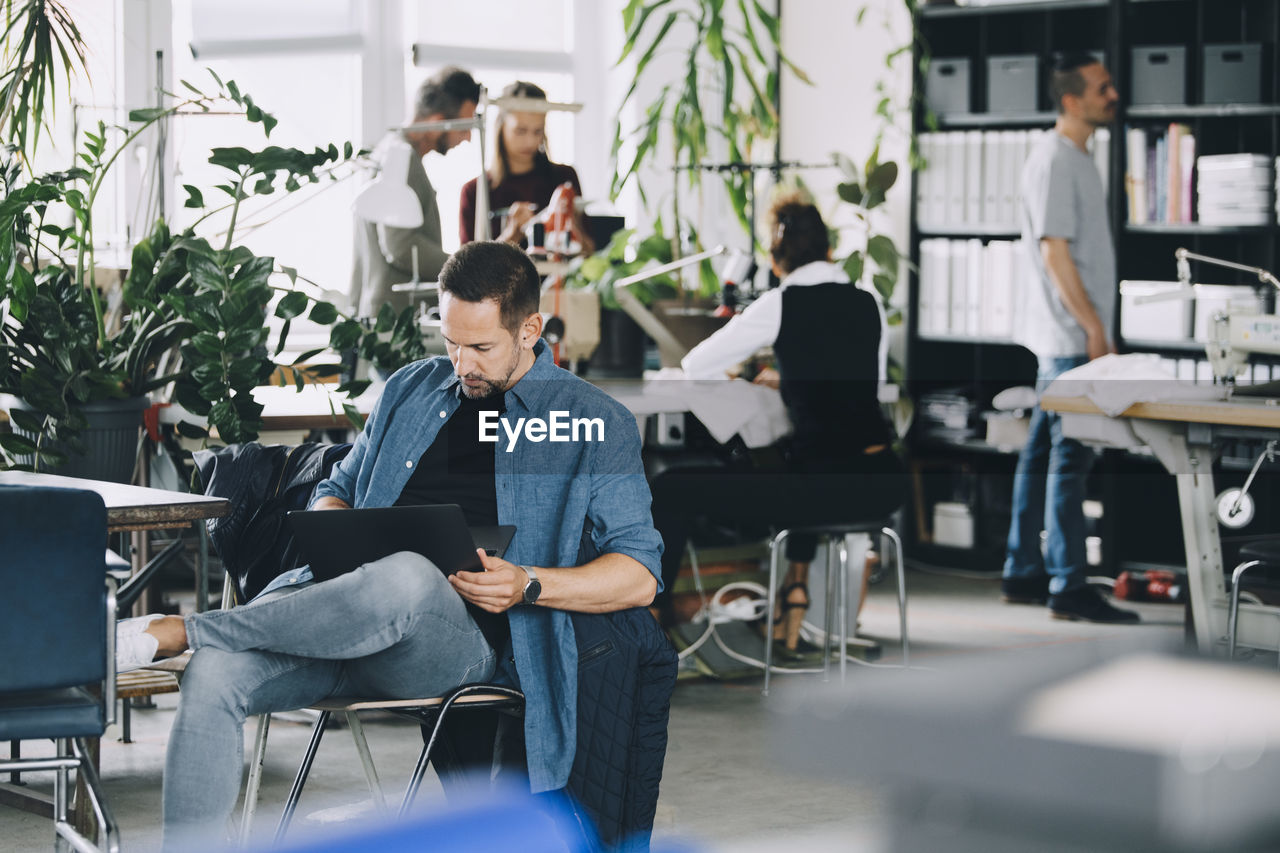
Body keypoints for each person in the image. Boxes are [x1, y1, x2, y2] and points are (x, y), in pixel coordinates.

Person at [115, 241, 665, 849]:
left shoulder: (594, 420)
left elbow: (639, 572)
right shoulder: (410, 389)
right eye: (452, 343)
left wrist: (528, 583)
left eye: (481, 347)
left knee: (406, 574)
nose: (462, 364)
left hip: (452, 646)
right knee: (214, 677)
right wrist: (335, 528)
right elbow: (335, 488)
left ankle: (184, 630)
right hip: (336, 617)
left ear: (530, 329)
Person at [649, 192, 908, 651]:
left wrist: (758, 374)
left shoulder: (782, 302)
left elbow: (696, 364)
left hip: (818, 489)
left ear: (773, 259)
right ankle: (789, 619)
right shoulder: (868, 302)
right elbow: (865, 382)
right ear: (829, 251)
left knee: (671, 487)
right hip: (880, 481)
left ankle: (651, 625)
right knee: (799, 461)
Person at [1002, 54, 1138, 623]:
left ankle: (1022, 571)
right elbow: (1054, 253)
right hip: (1068, 335)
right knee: (1070, 456)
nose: (1113, 94)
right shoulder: (1056, 160)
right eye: (1102, 87)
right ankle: (1068, 584)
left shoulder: (1080, 156)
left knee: (1041, 453)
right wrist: (1093, 329)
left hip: (1067, 332)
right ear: (1072, 100)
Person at [350, 66, 480, 318]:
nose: (467, 139)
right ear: (436, 123)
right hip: (392, 318)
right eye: (464, 127)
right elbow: (400, 245)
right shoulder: (402, 160)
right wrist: (464, 268)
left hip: (376, 311)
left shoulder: (388, 150)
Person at [458, 81, 593, 253]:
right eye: (520, 131)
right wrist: (511, 236)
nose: (530, 141)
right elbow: (466, 271)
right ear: (501, 127)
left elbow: (590, 252)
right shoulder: (475, 192)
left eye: (537, 131)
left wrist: (573, 228)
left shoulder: (564, 178)